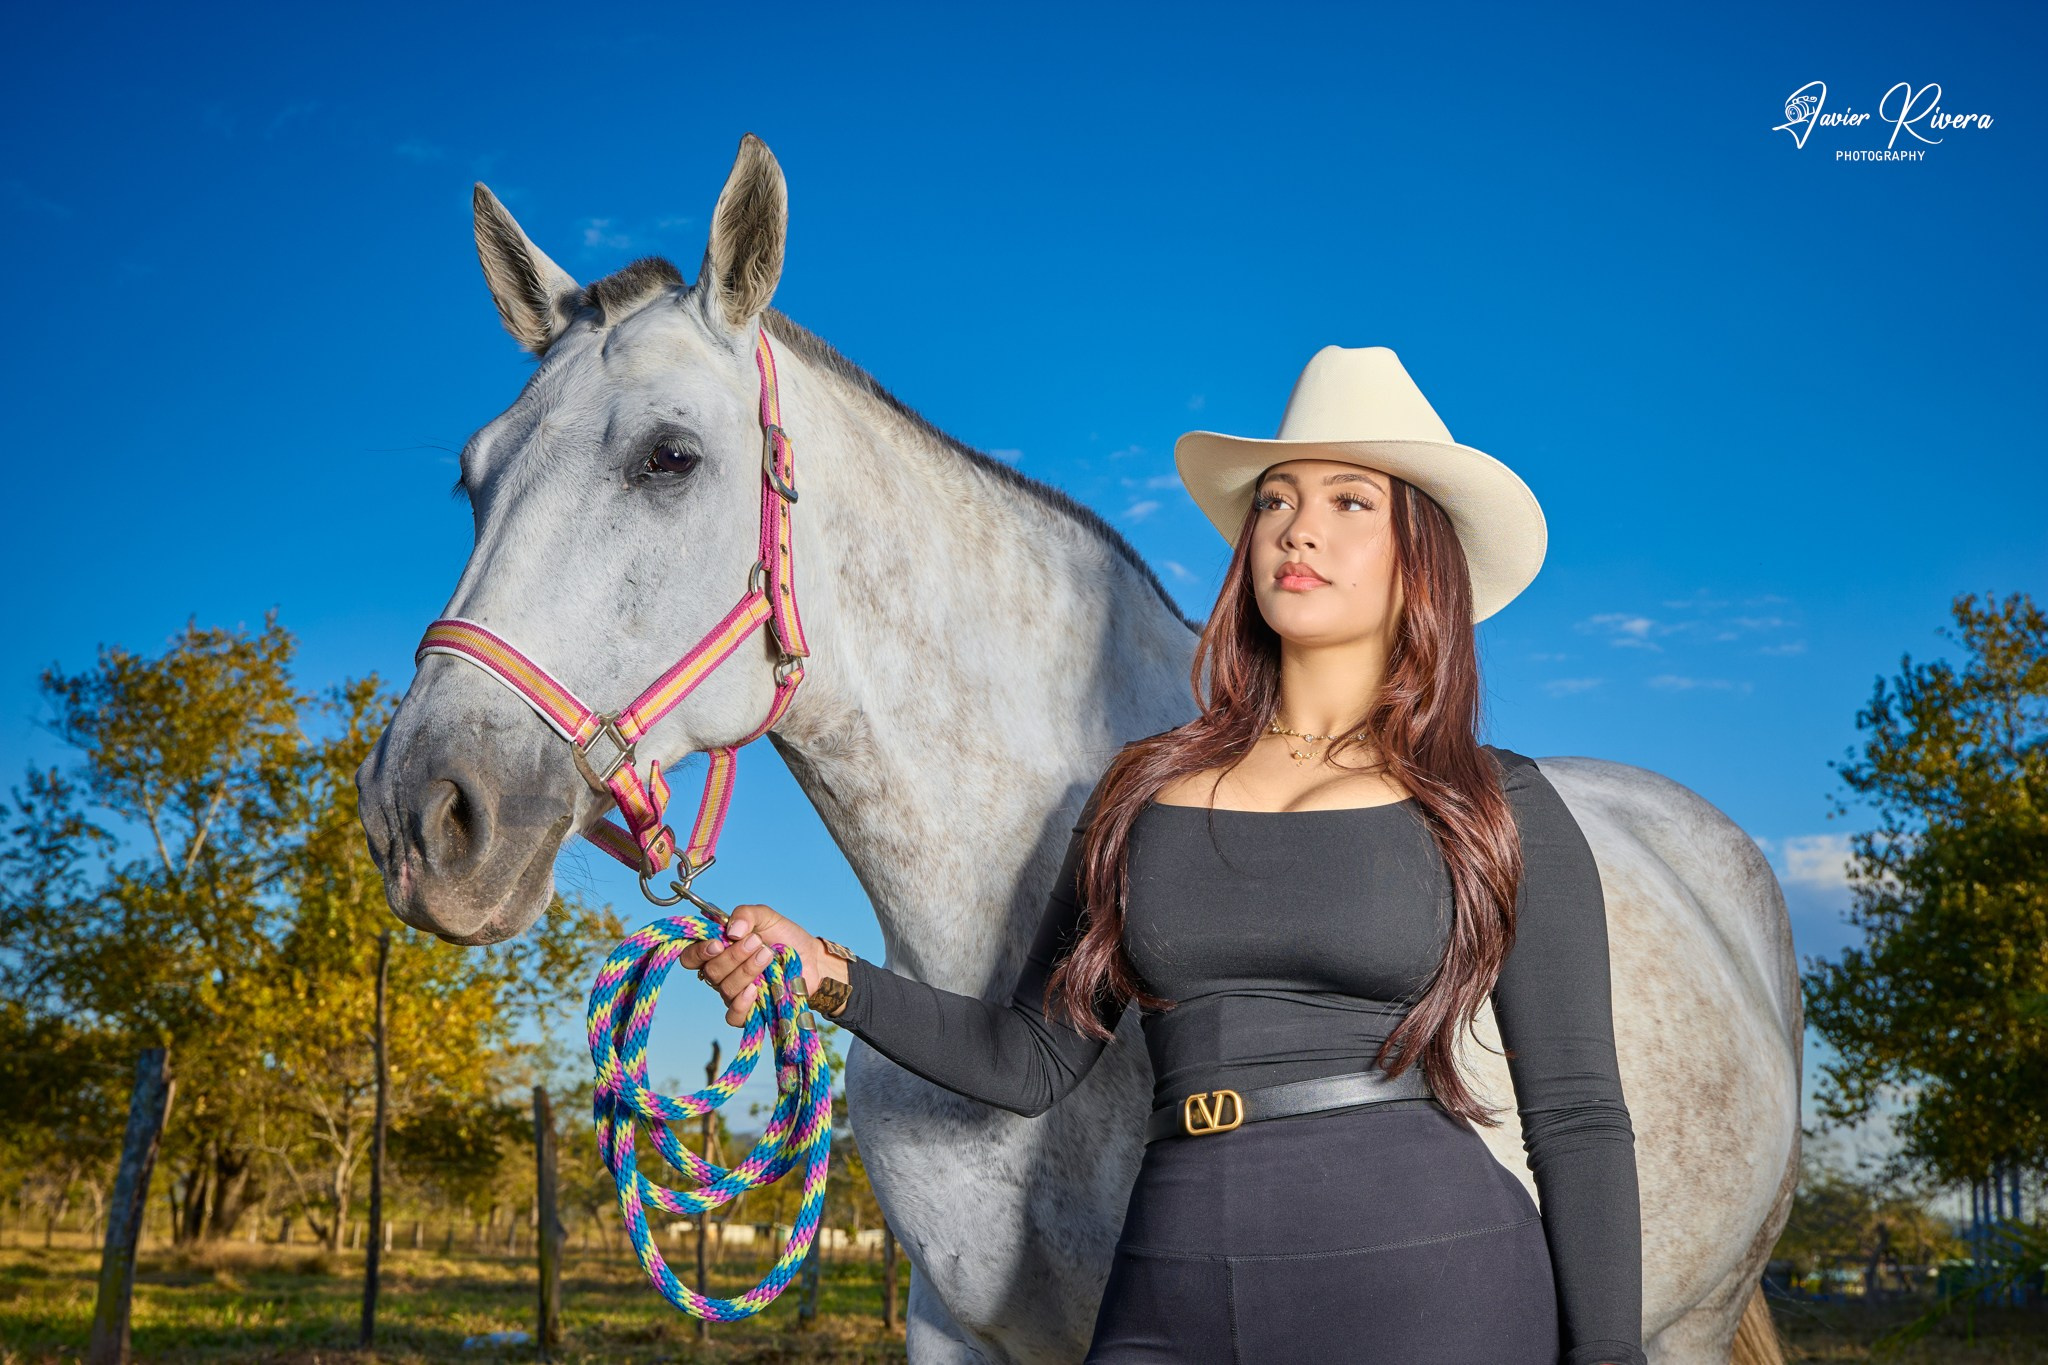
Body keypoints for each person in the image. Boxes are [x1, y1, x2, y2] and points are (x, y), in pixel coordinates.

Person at [676, 344, 1647, 1365]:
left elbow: (1577, 1116)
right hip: (1170, 1282)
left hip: (1426, 1279)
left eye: (1350, 502)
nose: (1297, 527)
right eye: (1274, 500)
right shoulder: (1140, 790)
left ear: (1422, 559)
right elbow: (1032, 1059)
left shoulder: (1493, 803)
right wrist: (820, 972)